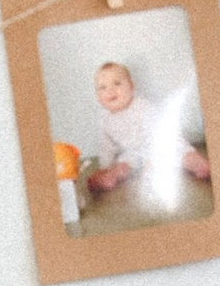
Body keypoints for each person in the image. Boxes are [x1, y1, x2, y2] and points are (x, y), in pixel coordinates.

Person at [82, 56, 211, 218]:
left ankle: (199, 164)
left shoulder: (142, 106)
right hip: (135, 151)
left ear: (131, 86)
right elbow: (105, 145)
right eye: (102, 87)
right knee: (123, 163)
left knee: (180, 153)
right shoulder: (105, 119)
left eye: (117, 83)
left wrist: (153, 161)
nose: (110, 90)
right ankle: (110, 177)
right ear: (97, 95)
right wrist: (105, 166)